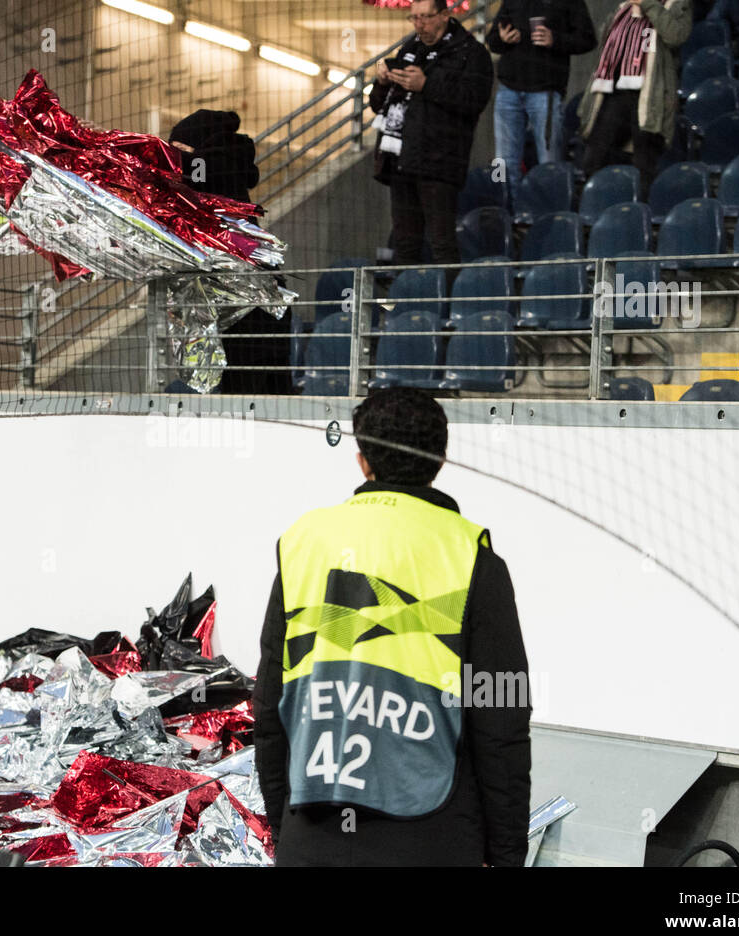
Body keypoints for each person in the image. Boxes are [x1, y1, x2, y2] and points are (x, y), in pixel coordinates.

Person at [252, 387, 531, 866]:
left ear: (362, 461)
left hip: (312, 832)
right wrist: (507, 856)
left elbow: (269, 706)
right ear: (440, 458)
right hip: (430, 838)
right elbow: (501, 720)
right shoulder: (473, 559)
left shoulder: (303, 543)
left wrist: (285, 829)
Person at [168, 109, 293, 395]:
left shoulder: (220, 163)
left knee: (257, 395)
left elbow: (190, 166)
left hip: (254, 305)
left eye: (177, 149)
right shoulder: (212, 167)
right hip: (241, 302)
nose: (171, 156)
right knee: (254, 391)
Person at [369, 0, 494, 265]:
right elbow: (380, 106)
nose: (419, 24)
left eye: (425, 17)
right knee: (405, 244)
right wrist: (380, 84)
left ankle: (446, 305)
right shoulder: (410, 49)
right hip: (402, 160)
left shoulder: (471, 52)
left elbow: (474, 101)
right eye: (413, 18)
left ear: (445, 15)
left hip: (441, 162)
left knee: (441, 243)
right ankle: (406, 305)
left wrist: (426, 84)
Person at [487, 0, 596, 210]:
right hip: (507, 90)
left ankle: (551, 218)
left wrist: (555, 39)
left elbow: (588, 39)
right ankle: (510, 216)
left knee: (549, 162)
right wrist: (502, 39)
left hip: (545, 91)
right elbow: (493, 39)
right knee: (501, 162)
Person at [579, 0, 691, 202]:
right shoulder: (622, 9)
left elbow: (676, 35)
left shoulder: (676, 4)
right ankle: (596, 209)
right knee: (595, 157)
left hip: (651, 97)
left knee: (644, 165)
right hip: (616, 92)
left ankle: (638, 217)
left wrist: (647, 4)